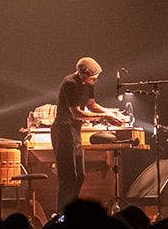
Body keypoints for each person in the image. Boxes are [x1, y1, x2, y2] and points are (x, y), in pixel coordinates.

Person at [51, 56, 126, 213]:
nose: (95, 80)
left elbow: (92, 105)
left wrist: (111, 112)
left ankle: (70, 211)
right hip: (63, 131)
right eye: (93, 77)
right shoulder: (70, 83)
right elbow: (76, 113)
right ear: (82, 75)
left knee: (80, 176)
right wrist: (104, 117)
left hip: (75, 132)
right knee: (68, 177)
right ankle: (61, 214)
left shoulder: (88, 83)